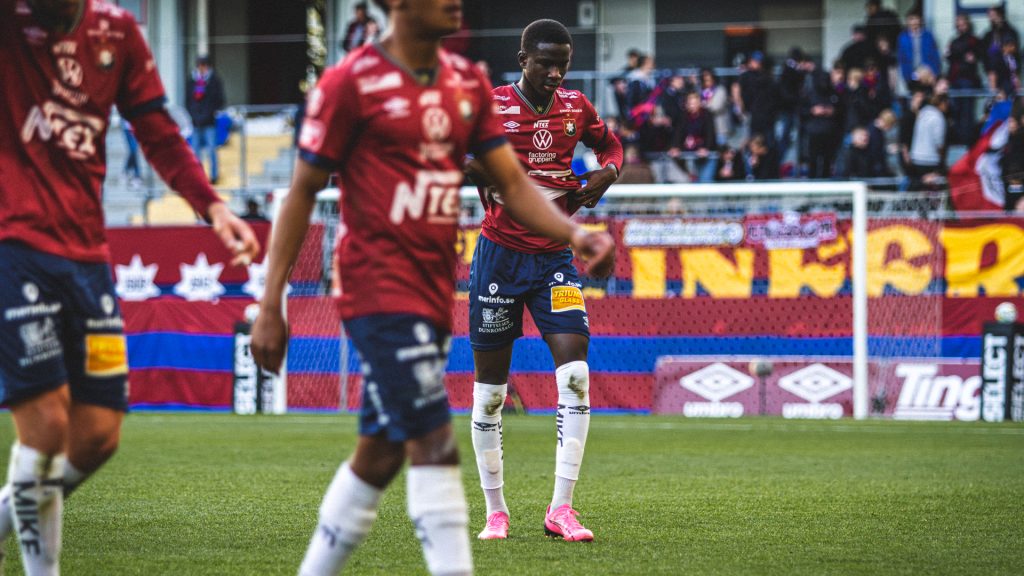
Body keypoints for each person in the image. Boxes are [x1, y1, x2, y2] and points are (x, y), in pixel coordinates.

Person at [249, 2, 615, 575]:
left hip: (434, 280)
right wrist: (271, 300)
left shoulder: (465, 83)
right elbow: (302, 191)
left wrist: (576, 234)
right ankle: (486, 525)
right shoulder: (350, 83)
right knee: (433, 444)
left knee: (380, 452)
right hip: (378, 282)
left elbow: (513, 182)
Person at [0, 1, 260, 574]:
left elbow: (159, 132)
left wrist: (213, 207)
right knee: (46, 424)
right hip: (14, 247)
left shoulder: (116, 31)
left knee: (98, 435)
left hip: (87, 259)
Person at [462, 18, 622, 543]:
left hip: (555, 259)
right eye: (546, 63)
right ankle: (496, 512)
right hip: (498, 258)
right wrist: (484, 171)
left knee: (575, 375)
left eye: (563, 65)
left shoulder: (576, 107)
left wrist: (608, 173)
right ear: (523, 59)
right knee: (490, 393)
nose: (555, 74)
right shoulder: (491, 106)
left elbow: (611, 147)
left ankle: (561, 509)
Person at [185, 55, 226, 184]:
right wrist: (194, 115)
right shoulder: (192, 81)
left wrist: (208, 114)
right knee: (195, 151)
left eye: (204, 66)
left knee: (211, 149)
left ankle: (214, 176)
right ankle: (198, 176)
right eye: (200, 66)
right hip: (195, 122)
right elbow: (188, 101)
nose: (202, 69)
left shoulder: (214, 81)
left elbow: (219, 101)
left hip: (209, 122)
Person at [946, 13, 983, 145]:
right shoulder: (955, 41)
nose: (961, 27)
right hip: (955, 79)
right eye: (959, 24)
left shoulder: (973, 40)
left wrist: (959, 55)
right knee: (956, 111)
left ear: (968, 24)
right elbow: (951, 57)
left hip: (967, 80)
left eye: (963, 24)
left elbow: (975, 56)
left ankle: (966, 140)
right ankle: (958, 139)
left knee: (967, 112)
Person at [897, 10, 941, 89]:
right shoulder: (902, 38)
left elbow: (935, 56)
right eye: (911, 19)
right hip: (911, 74)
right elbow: (902, 60)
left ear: (920, 20)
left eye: (916, 18)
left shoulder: (928, 36)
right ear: (907, 21)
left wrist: (933, 72)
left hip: (927, 73)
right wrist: (910, 76)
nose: (914, 22)